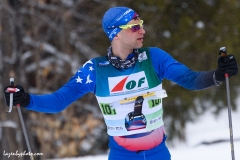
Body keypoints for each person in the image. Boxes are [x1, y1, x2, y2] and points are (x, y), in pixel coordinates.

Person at [4, 6, 238, 160]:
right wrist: (26, 100)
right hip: (121, 155)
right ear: (115, 33)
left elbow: (190, 80)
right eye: (134, 26)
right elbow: (57, 102)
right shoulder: (95, 70)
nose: (142, 31)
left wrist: (217, 75)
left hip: (159, 154)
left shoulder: (153, 57)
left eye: (141, 24)